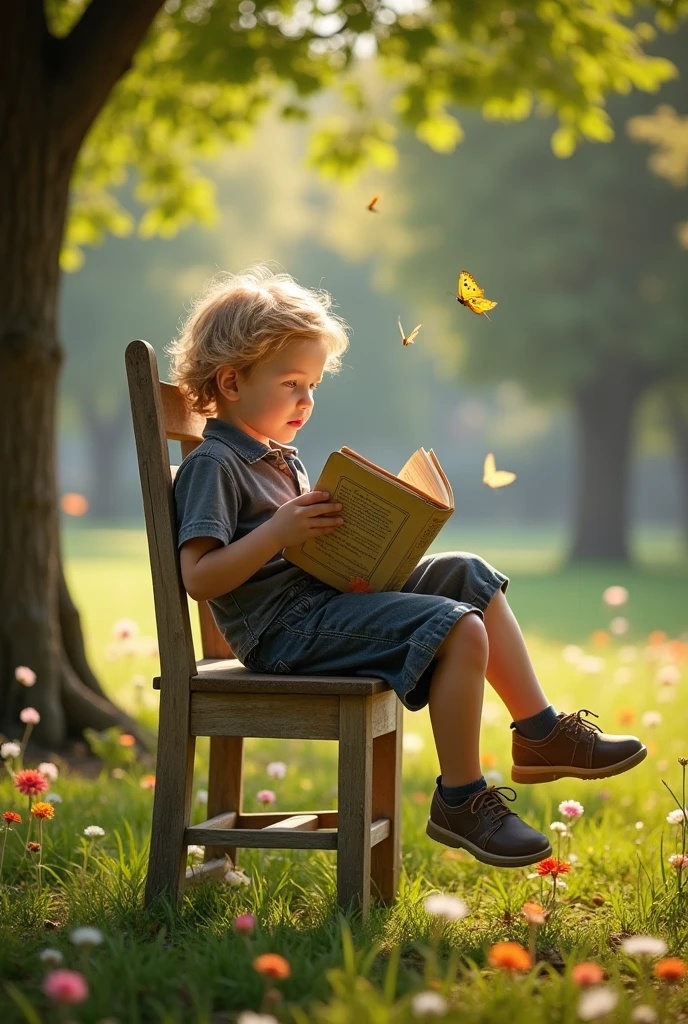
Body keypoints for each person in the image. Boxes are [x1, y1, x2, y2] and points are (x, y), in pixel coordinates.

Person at [168, 266, 647, 869]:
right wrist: (280, 531)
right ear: (232, 381)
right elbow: (200, 578)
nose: (306, 401)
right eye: (291, 383)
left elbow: (299, 555)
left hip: (321, 606)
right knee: (457, 625)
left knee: (467, 573)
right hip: (282, 634)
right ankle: (461, 799)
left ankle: (539, 731)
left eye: (313, 385)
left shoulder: (278, 459)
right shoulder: (215, 465)